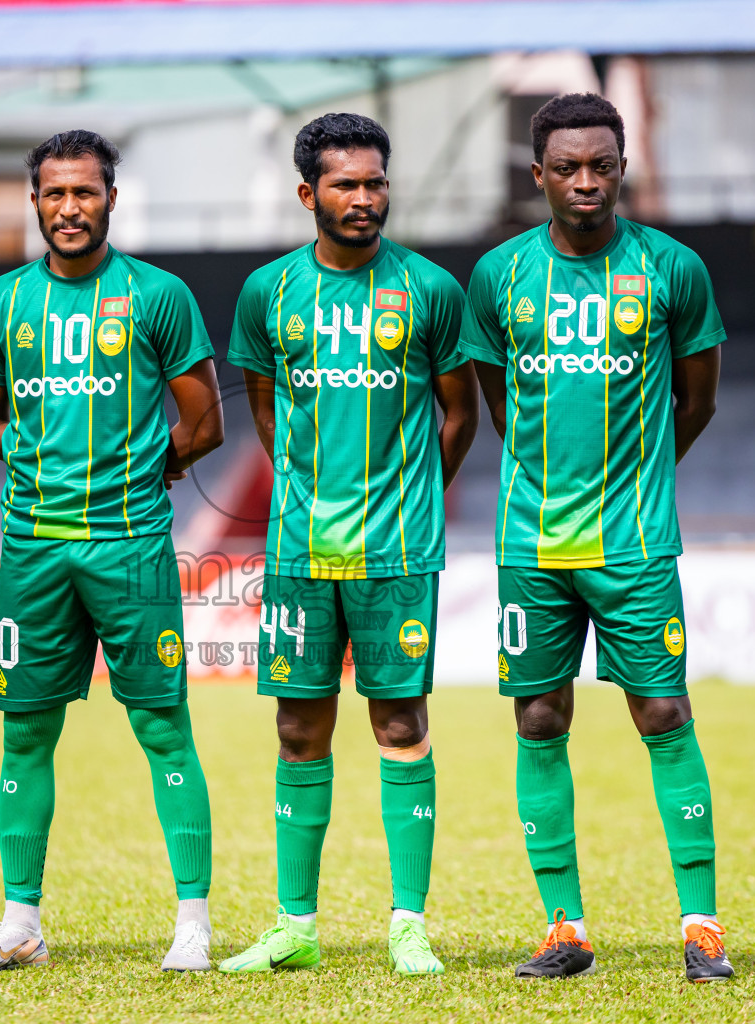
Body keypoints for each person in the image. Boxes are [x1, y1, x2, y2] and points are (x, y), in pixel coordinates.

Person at [462, 92, 731, 982]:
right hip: (532, 544)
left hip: (636, 543)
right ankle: (565, 928)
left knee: (664, 713)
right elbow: (498, 403)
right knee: (540, 717)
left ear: (623, 168)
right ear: (537, 174)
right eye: (567, 167)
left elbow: (698, 401)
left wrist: (641, 478)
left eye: (602, 166)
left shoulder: (672, 268)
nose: (586, 181)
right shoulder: (498, 276)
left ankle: (701, 927)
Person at [217, 113, 479, 977]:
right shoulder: (269, 293)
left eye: (375, 183)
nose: (364, 198)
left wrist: (408, 500)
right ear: (308, 194)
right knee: (298, 728)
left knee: (401, 721)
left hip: (398, 554)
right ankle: (295, 924)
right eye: (345, 185)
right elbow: (263, 407)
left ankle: (408, 924)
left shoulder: (432, 290)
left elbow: (459, 413)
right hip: (299, 554)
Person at [0, 130, 223, 971]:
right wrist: (39, 459)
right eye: (54, 194)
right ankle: (20, 924)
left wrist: (154, 465)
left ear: (112, 196)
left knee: (163, 727)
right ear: (33, 201)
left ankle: (193, 924)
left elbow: (206, 421)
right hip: (33, 548)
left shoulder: (159, 295)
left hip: (130, 545)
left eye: (85, 192)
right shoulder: (0, 303)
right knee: (24, 734)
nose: (69, 208)